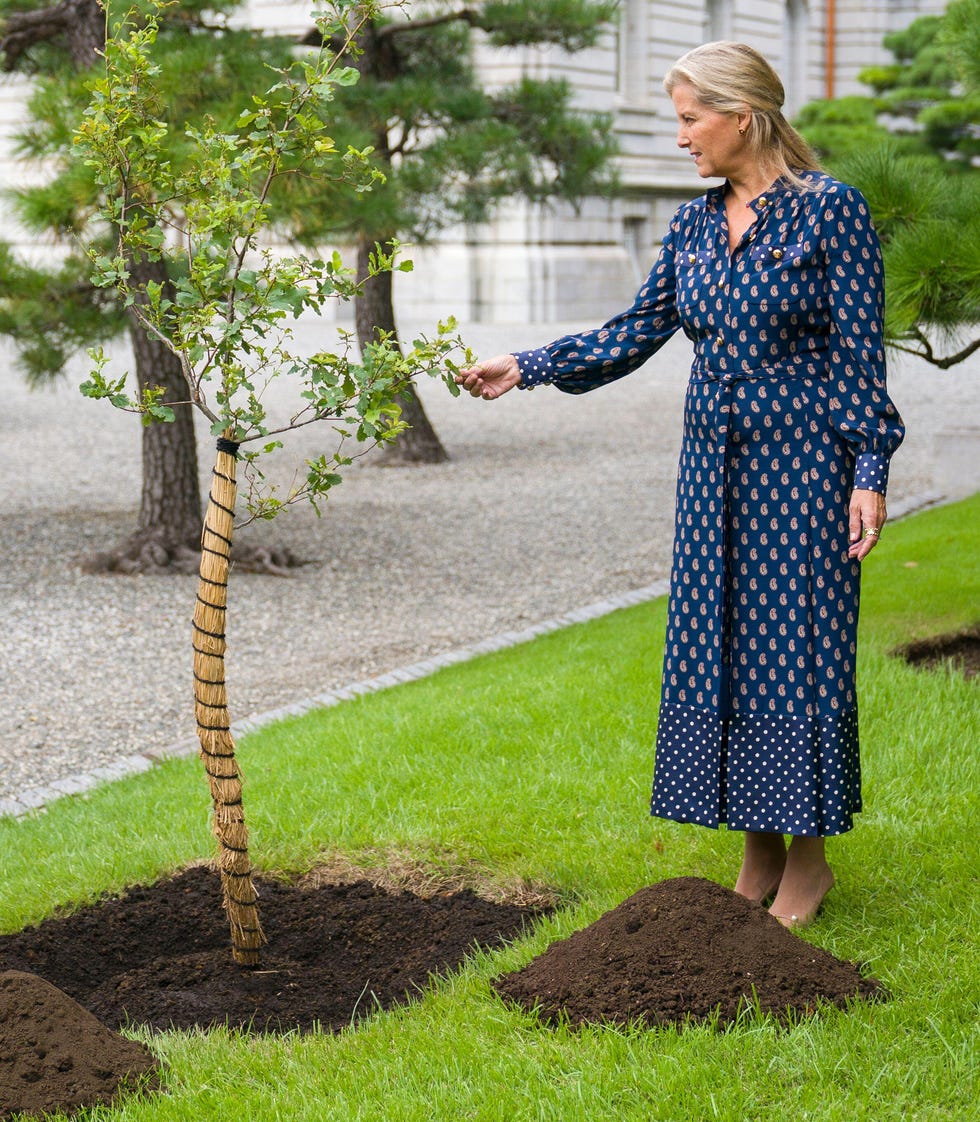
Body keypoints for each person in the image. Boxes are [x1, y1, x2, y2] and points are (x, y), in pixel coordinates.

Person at [456, 41, 905, 928]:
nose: (680, 137)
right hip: (711, 472)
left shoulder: (830, 214)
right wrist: (529, 364)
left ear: (744, 116)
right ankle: (755, 855)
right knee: (721, 648)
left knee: (794, 652)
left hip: (802, 466)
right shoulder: (694, 226)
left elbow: (861, 357)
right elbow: (638, 329)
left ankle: (807, 866)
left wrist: (869, 471)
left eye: (691, 118)